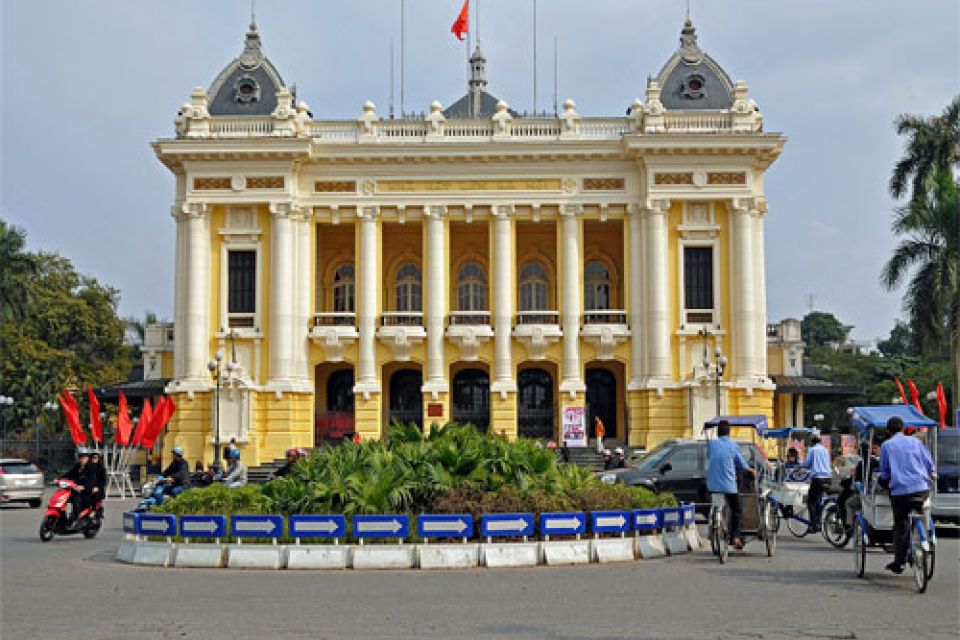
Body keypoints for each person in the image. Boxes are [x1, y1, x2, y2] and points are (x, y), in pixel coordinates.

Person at [878, 416, 935, 574]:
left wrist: (884, 481)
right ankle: (925, 538)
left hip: (900, 492)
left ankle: (899, 561)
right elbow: (929, 463)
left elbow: (884, 472)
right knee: (921, 511)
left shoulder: (887, 445)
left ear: (888, 431)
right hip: (921, 489)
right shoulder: (916, 442)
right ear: (903, 429)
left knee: (900, 524)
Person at [707, 420, 756, 549]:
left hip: (712, 484)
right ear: (729, 432)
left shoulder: (711, 444)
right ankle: (735, 537)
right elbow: (740, 463)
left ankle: (713, 525)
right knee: (736, 510)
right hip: (729, 485)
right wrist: (749, 469)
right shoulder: (733, 445)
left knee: (715, 503)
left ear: (718, 432)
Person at [838, 441, 880, 528]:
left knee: (848, 503)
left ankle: (848, 525)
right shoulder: (875, 461)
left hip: (865, 492)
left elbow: (855, 479)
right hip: (875, 491)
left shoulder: (863, 463)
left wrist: (844, 482)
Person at [800, 435, 832, 532]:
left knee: (811, 502)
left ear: (812, 442)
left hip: (817, 478)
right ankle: (818, 521)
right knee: (818, 500)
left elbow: (807, 464)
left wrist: (800, 467)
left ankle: (814, 525)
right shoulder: (825, 450)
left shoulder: (812, 450)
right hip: (828, 478)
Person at [62, 447, 97, 526]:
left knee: (75, 498)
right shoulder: (78, 466)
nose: (81, 459)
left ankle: (78, 519)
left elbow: (93, 480)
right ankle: (66, 518)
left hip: (88, 491)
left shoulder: (92, 467)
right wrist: (59, 479)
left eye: (83, 457)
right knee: (64, 497)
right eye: (80, 457)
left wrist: (84, 487)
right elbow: (69, 474)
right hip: (76, 489)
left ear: (88, 457)